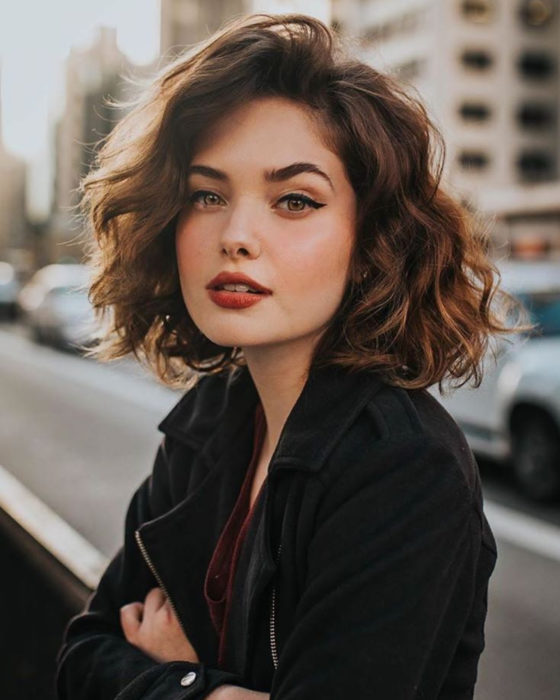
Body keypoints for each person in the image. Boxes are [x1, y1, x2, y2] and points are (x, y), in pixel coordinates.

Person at [55, 13, 527, 700]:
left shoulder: (403, 465)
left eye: (295, 200)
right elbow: (83, 656)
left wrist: (176, 680)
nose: (236, 235)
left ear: (370, 245)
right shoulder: (210, 423)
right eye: (207, 194)